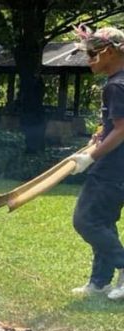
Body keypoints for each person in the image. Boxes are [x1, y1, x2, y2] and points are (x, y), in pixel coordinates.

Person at [68, 26, 124, 300]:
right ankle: (100, 281)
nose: (89, 59)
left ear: (110, 52)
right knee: (103, 221)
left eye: (93, 53)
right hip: (118, 166)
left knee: (86, 220)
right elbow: (116, 125)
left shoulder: (116, 85)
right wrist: (102, 132)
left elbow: (123, 130)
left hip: (113, 168)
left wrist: (91, 156)